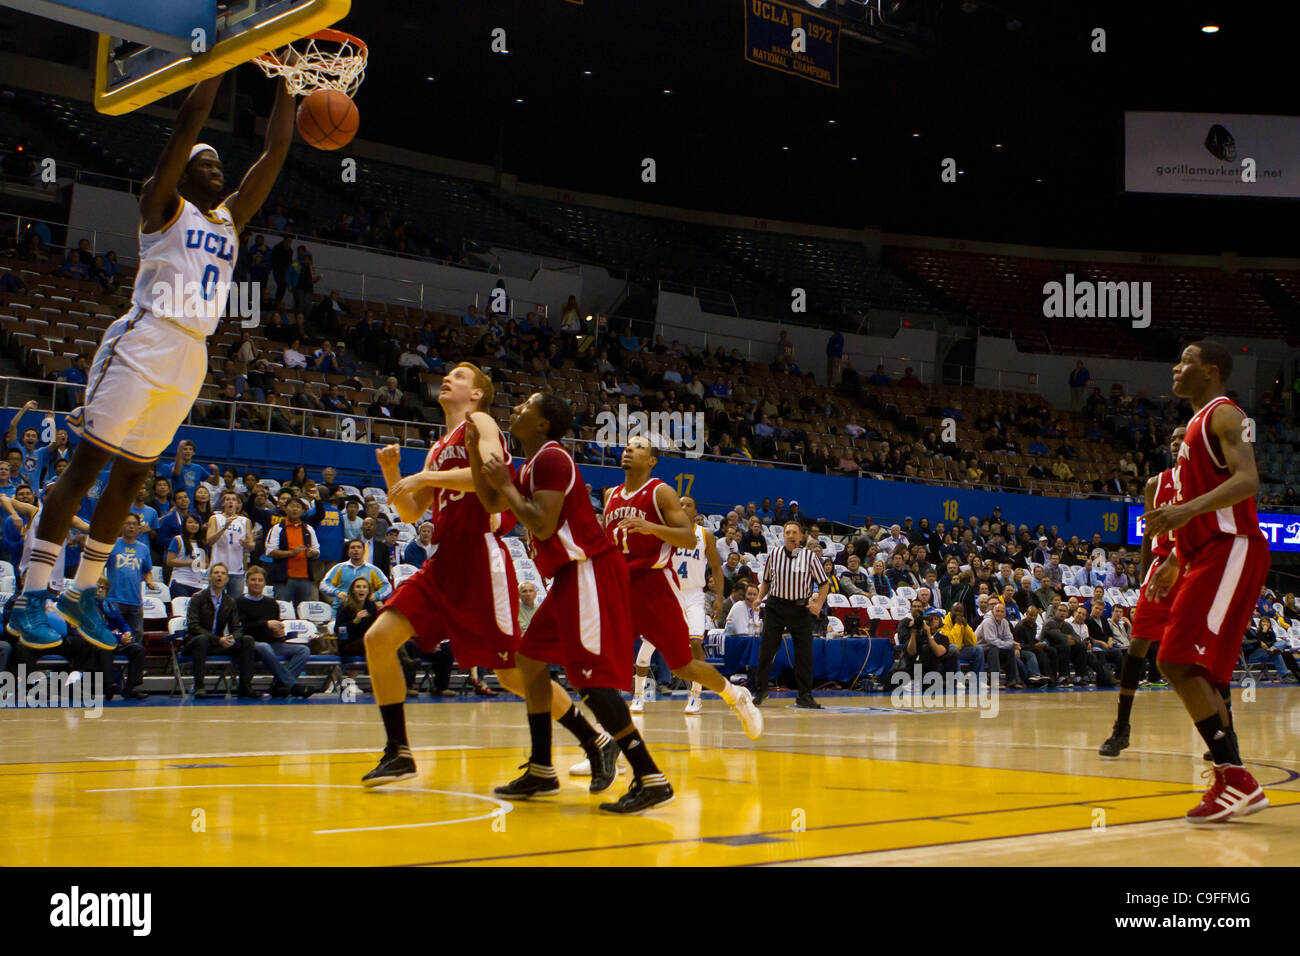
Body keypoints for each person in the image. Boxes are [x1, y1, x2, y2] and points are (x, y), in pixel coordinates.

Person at [7, 70, 297, 654]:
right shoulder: (162, 206)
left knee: (133, 477)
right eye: (207, 165)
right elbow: (188, 123)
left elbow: (274, 151)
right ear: (184, 174)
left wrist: (291, 81)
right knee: (86, 468)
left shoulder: (229, 221)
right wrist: (218, 59)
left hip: (190, 355)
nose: (217, 170)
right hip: (143, 340)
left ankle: (81, 592)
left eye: (220, 166)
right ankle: (33, 592)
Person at [363, 369, 622, 799]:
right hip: (443, 561)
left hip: (480, 558)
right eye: (446, 375)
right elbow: (410, 512)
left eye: (458, 376)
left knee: (513, 674)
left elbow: (488, 483)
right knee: (378, 638)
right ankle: (399, 750)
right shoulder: (438, 447)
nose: (447, 380)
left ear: (478, 393)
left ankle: (595, 738)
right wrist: (392, 473)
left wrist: (426, 478)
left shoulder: (480, 424)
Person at [467, 391, 675, 813]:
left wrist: (505, 483)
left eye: (528, 406)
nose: (518, 408)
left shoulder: (552, 459)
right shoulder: (531, 465)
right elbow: (494, 503)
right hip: (566, 576)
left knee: (590, 681)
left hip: (588, 571)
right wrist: (476, 453)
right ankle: (543, 768)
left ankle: (651, 777)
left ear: (543, 423)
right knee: (529, 660)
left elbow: (542, 527)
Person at [1144, 342, 1272, 821]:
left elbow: (1248, 480)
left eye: (1186, 362)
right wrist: (1177, 556)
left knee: (1176, 658)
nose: (1176, 368)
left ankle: (1234, 777)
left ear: (1211, 371)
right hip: (1204, 554)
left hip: (1232, 546)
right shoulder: (1193, 430)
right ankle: (1232, 779)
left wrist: (1185, 510)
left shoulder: (1224, 414)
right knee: (1201, 671)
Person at [600, 437, 761, 734]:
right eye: (627, 445)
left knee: (682, 664)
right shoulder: (610, 495)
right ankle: (607, 743)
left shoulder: (660, 491)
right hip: (620, 586)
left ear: (651, 461)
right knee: (604, 662)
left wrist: (650, 527)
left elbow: (687, 538)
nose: (628, 449)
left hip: (654, 585)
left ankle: (736, 696)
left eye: (638, 447)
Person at [1099, 427, 1185, 757]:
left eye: (1183, 439)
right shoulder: (1155, 484)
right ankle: (1122, 728)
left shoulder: (1206, 483)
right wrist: (1142, 577)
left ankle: (1225, 728)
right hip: (1159, 570)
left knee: (1202, 653)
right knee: (1137, 645)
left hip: (1192, 569)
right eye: (1173, 439)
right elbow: (1149, 535)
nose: (1177, 443)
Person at [752, 520, 830, 709]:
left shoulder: (810, 557)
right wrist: (759, 597)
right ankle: (761, 691)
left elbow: (824, 583)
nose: (791, 535)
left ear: (802, 536)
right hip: (775, 607)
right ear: (783, 535)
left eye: (795, 532)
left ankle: (804, 696)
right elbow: (767, 581)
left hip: (800, 609)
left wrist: (818, 604)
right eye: (788, 532)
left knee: (804, 654)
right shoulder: (774, 554)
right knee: (767, 650)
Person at [237, 565, 314, 698]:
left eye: (260, 580)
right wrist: (266, 624)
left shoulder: (272, 603)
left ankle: (279, 685)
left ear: (264, 583)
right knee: (264, 646)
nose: (256, 583)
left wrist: (279, 635)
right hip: (249, 645)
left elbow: (273, 630)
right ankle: (292, 685)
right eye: (253, 580)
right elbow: (241, 629)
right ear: (247, 582)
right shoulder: (238, 602)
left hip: (271, 644)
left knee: (303, 650)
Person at [184, 563, 256, 699]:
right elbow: (193, 626)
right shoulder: (197, 598)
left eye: (223, 573)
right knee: (202, 639)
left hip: (218, 643)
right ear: (210, 577)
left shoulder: (230, 601)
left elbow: (237, 628)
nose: (219, 575)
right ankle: (199, 685)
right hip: (195, 643)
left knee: (247, 640)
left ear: (227, 579)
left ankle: (245, 686)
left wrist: (232, 638)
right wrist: (218, 639)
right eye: (216, 572)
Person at [105, 513, 153, 646]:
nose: (131, 527)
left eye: (134, 524)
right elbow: (100, 567)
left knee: (137, 634)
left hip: (135, 600)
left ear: (139, 528)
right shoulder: (112, 545)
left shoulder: (143, 549)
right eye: (127, 523)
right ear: (121, 526)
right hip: (115, 598)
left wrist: (150, 581)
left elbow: (147, 570)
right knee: (114, 633)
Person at [264, 497, 320, 606]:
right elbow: (270, 551)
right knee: (281, 611)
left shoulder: (308, 528)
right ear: (285, 509)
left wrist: (312, 553)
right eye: (292, 506)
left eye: (298, 507)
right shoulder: (277, 528)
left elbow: (317, 550)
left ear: (303, 511)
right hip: (284, 579)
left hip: (305, 578)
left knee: (304, 613)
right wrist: (291, 553)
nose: (295, 509)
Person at [319, 538, 392, 611]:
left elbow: (388, 587)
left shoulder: (373, 569)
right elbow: (323, 584)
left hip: (365, 612)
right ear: (348, 552)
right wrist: (337, 592)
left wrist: (376, 595)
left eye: (359, 547)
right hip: (340, 611)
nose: (356, 550)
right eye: (352, 547)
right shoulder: (339, 568)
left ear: (364, 551)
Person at [206, 490, 253, 598]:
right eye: (227, 499)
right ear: (223, 503)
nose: (230, 502)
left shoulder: (244, 521)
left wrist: (246, 544)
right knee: (214, 601)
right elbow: (209, 541)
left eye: (233, 500)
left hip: (236, 569)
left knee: (235, 604)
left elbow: (251, 546)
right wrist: (224, 527)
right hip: (218, 568)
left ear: (238, 504)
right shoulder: (215, 518)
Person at [165, 513, 207, 598]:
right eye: (190, 522)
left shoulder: (201, 543)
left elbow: (206, 563)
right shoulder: (178, 540)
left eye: (196, 523)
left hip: (197, 584)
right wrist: (189, 563)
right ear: (184, 525)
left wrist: (201, 564)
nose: (193, 525)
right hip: (180, 582)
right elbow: (169, 561)